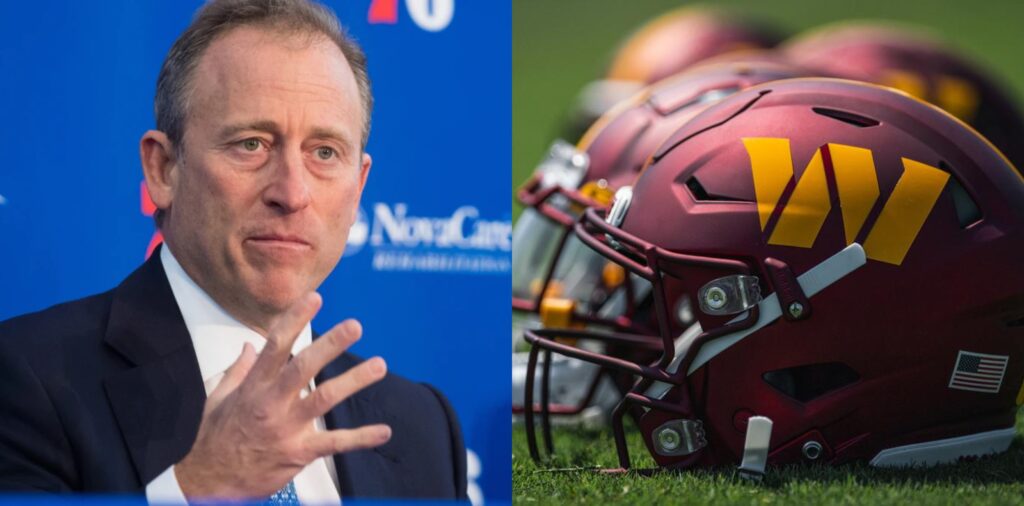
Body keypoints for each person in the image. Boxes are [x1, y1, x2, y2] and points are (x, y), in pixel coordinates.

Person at [0, 0, 467, 502]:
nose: (291, 192)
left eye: (325, 152)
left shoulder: (422, 426)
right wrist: (197, 490)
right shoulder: (24, 379)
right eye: (251, 144)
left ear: (358, 188)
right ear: (163, 169)